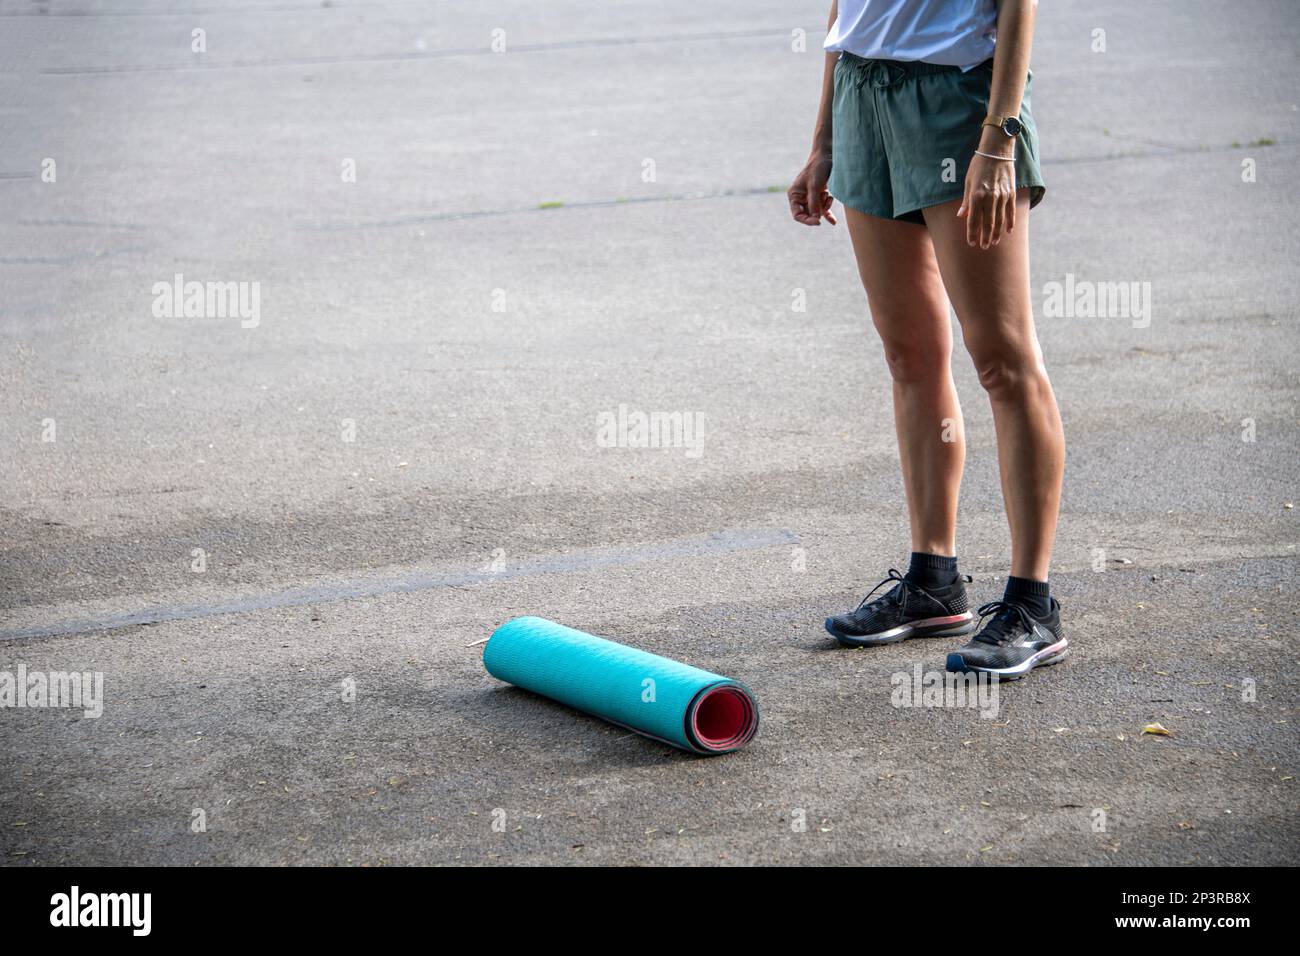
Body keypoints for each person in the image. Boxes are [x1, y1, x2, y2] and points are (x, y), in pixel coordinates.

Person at [788, 0, 1068, 678]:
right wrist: (824, 139)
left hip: (958, 96)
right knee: (908, 353)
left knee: (1002, 358)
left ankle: (1033, 605)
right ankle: (933, 580)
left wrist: (999, 136)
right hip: (862, 89)